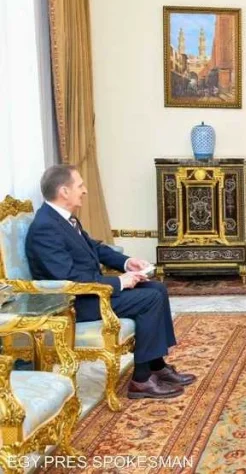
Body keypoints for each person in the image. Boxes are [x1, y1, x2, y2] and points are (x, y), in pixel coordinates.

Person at [25, 164, 194, 400]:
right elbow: (68, 278)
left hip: (90, 292)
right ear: (64, 191)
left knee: (156, 288)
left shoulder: (62, 219)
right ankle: (141, 380)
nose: (84, 190)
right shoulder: (45, 227)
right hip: (73, 304)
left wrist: (127, 263)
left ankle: (156, 365)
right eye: (80, 186)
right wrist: (119, 282)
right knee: (149, 298)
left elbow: (95, 249)